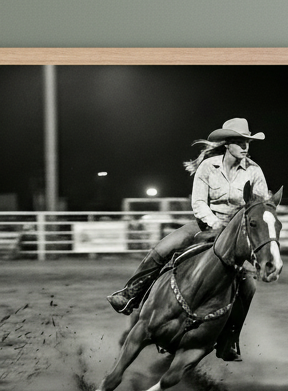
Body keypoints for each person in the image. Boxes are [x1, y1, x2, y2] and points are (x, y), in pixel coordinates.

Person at [107, 118, 269, 362]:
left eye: (247, 141)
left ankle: (229, 339)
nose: (245, 146)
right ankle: (132, 293)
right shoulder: (208, 167)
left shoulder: (254, 171)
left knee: (249, 286)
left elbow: (260, 205)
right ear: (227, 144)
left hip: (237, 234)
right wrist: (215, 224)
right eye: (239, 141)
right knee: (163, 248)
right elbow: (199, 203)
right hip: (205, 224)